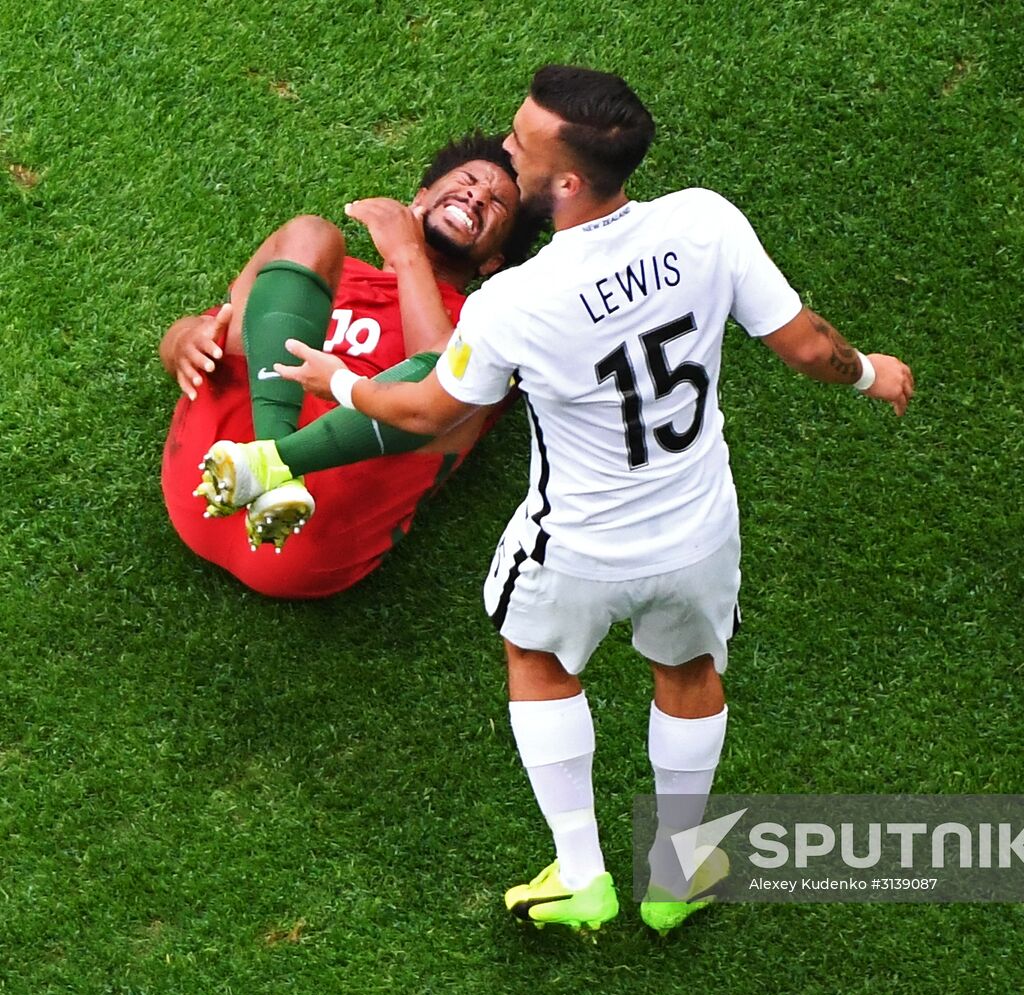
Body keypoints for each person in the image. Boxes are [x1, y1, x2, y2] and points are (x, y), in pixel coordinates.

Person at [204, 65, 914, 932]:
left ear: (568, 182)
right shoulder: (705, 221)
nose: (505, 149)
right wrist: (870, 373)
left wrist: (341, 383)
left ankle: (582, 876)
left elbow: (429, 412)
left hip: (576, 543)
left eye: (520, 145)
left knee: (537, 661)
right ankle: (677, 872)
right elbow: (806, 349)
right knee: (690, 672)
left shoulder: (516, 299)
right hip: (697, 531)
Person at [160, 132, 542, 598]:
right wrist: (183, 341)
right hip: (208, 475)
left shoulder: (482, 325)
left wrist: (407, 254)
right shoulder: (329, 272)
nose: (477, 196)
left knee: (462, 371)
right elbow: (211, 326)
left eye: (497, 204)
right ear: (419, 199)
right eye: (468, 180)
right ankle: (269, 465)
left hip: (308, 540)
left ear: (493, 262)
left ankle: (272, 463)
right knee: (310, 233)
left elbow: (444, 383)